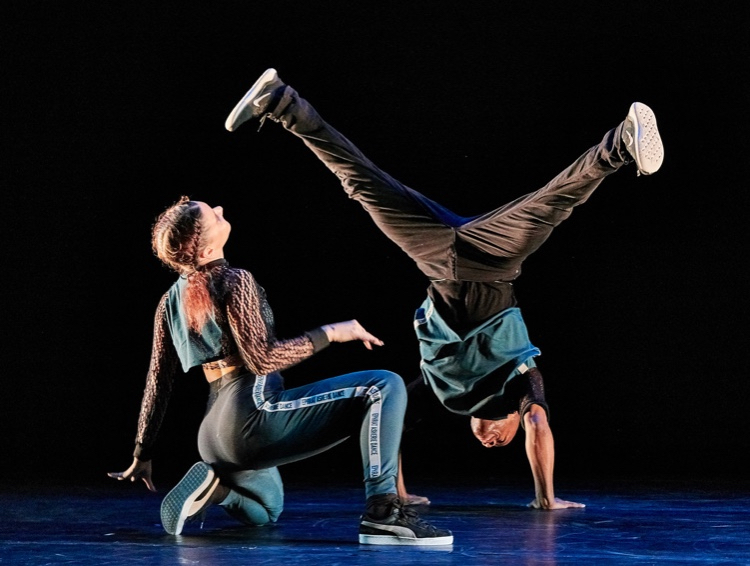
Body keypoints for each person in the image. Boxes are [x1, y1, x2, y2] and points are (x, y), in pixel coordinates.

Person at [223, 68, 664, 510]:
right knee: (552, 203)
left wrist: (395, 491)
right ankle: (622, 142)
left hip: (434, 255)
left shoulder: (443, 391)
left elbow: (387, 420)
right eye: (502, 439)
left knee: (362, 184)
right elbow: (538, 422)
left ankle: (280, 102)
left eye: (486, 440)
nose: (491, 440)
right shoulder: (520, 383)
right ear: (515, 424)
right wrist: (546, 498)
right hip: (493, 260)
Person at [108, 195, 453, 545]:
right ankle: (384, 512)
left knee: (267, 511)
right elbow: (263, 360)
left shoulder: (169, 300)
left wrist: (142, 452)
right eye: (213, 215)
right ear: (203, 246)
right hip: (249, 416)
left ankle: (217, 491)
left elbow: (157, 381)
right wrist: (331, 334)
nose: (222, 210)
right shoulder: (234, 279)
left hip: (212, 437)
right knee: (384, 385)